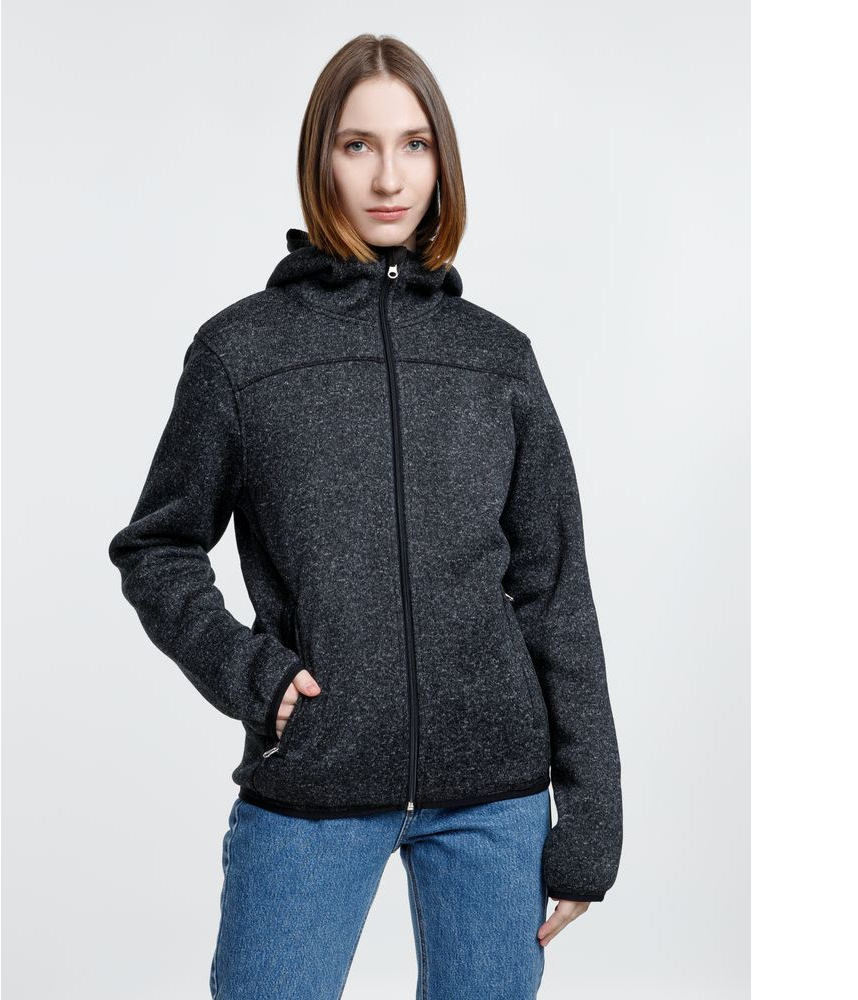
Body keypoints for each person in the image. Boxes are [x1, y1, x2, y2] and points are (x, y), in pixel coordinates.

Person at [108, 33, 623, 1000]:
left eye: (414, 145)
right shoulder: (240, 353)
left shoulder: (496, 359)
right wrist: (253, 675)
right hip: (315, 779)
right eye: (359, 145)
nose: (389, 177)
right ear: (322, 158)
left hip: (495, 798)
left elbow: (556, 591)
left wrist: (590, 818)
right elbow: (158, 547)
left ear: (442, 161)